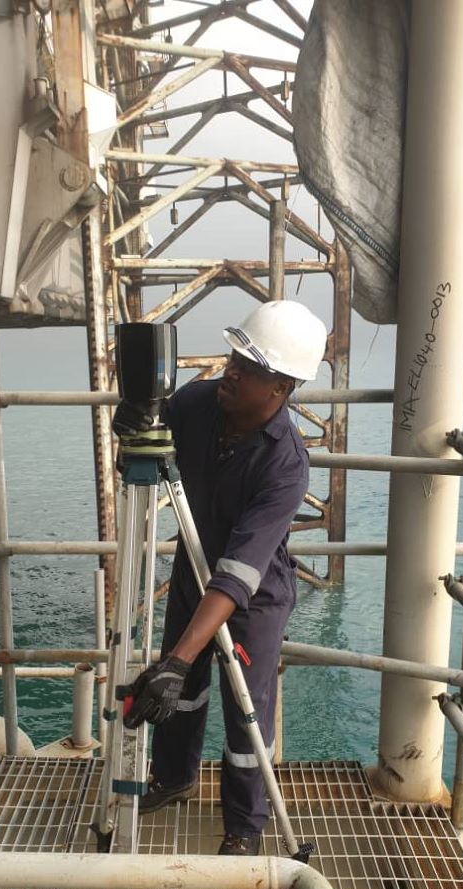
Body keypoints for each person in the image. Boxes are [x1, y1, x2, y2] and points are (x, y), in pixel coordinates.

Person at [117, 300, 328, 856]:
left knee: (245, 712)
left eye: (249, 367)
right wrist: (131, 428)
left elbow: (238, 575)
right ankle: (173, 777)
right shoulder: (197, 403)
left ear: (281, 386)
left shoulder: (286, 463)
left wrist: (176, 659)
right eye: (234, 357)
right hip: (194, 569)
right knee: (180, 692)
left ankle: (245, 825)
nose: (230, 371)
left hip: (252, 598)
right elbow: (144, 442)